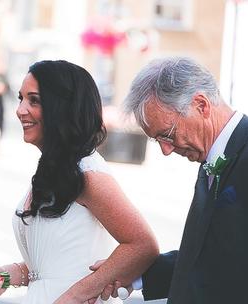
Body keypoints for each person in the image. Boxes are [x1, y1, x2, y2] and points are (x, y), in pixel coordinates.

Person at [0, 60, 159, 303]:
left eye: (34, 100)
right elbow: (52, 263)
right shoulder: (53, 170)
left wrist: (73, 297)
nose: (20, 110)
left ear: (62, 107)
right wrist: (8, 274)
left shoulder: (88, 173)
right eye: (20, 98)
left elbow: (142, 245)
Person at [96, 57, 248, 304]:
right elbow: (209, 256)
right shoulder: (210, 157)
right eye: (158, 140)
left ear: (201, 105)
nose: (166, 151)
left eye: (167, 135)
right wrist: (135, 274)